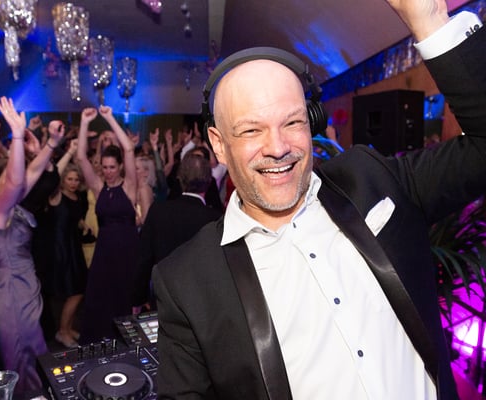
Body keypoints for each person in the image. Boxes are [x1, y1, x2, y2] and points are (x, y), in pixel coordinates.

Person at [151, 0, 486, 399]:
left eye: (292, 122)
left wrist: (428, 19)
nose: (278, 147)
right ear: (219, 145)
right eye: (252, 130)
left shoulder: (370, 178)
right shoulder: (187, 279)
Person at [0, 97, 64, 396]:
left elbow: (31, 173)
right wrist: (16, 135)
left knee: (35, 356)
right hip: (11, 295)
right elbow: (17, 182)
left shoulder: (13, 206)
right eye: (7, 178)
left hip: (24, 288)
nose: (15, 182)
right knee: (23, 361)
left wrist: (51, 144)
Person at [75, 105, 139, 343]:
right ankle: (99, 344)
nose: (109, 171)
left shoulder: (129, 186)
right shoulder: (98, 187)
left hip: (127, 251)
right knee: (98, 298)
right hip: (103, 252)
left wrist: (110, 118)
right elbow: (81, 158)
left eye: (112, 167)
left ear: (120, 166)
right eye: (105, 167)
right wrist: (84, 123)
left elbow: (129, 149)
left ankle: (125, 345)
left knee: (124, 298)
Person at [134, 150, 222, 311]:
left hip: (164, 300)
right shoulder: (215, 219)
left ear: (180, 179)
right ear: (209, 181)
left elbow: (144, 258)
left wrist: (138, 298)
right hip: (202, 304)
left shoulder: (159, 211)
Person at [47, 140, 88, 348]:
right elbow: (54, 173)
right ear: (62, 179)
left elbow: (73, 217)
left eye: (76, 179)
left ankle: (68, 327)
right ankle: (62, 332)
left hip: (74, 247)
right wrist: (70, 151)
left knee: (78, 290)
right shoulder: (56, 195)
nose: (73, 183)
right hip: (61, 249)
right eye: (69, 179)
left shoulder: (77, 196)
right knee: (74, 292)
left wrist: (81, 223)